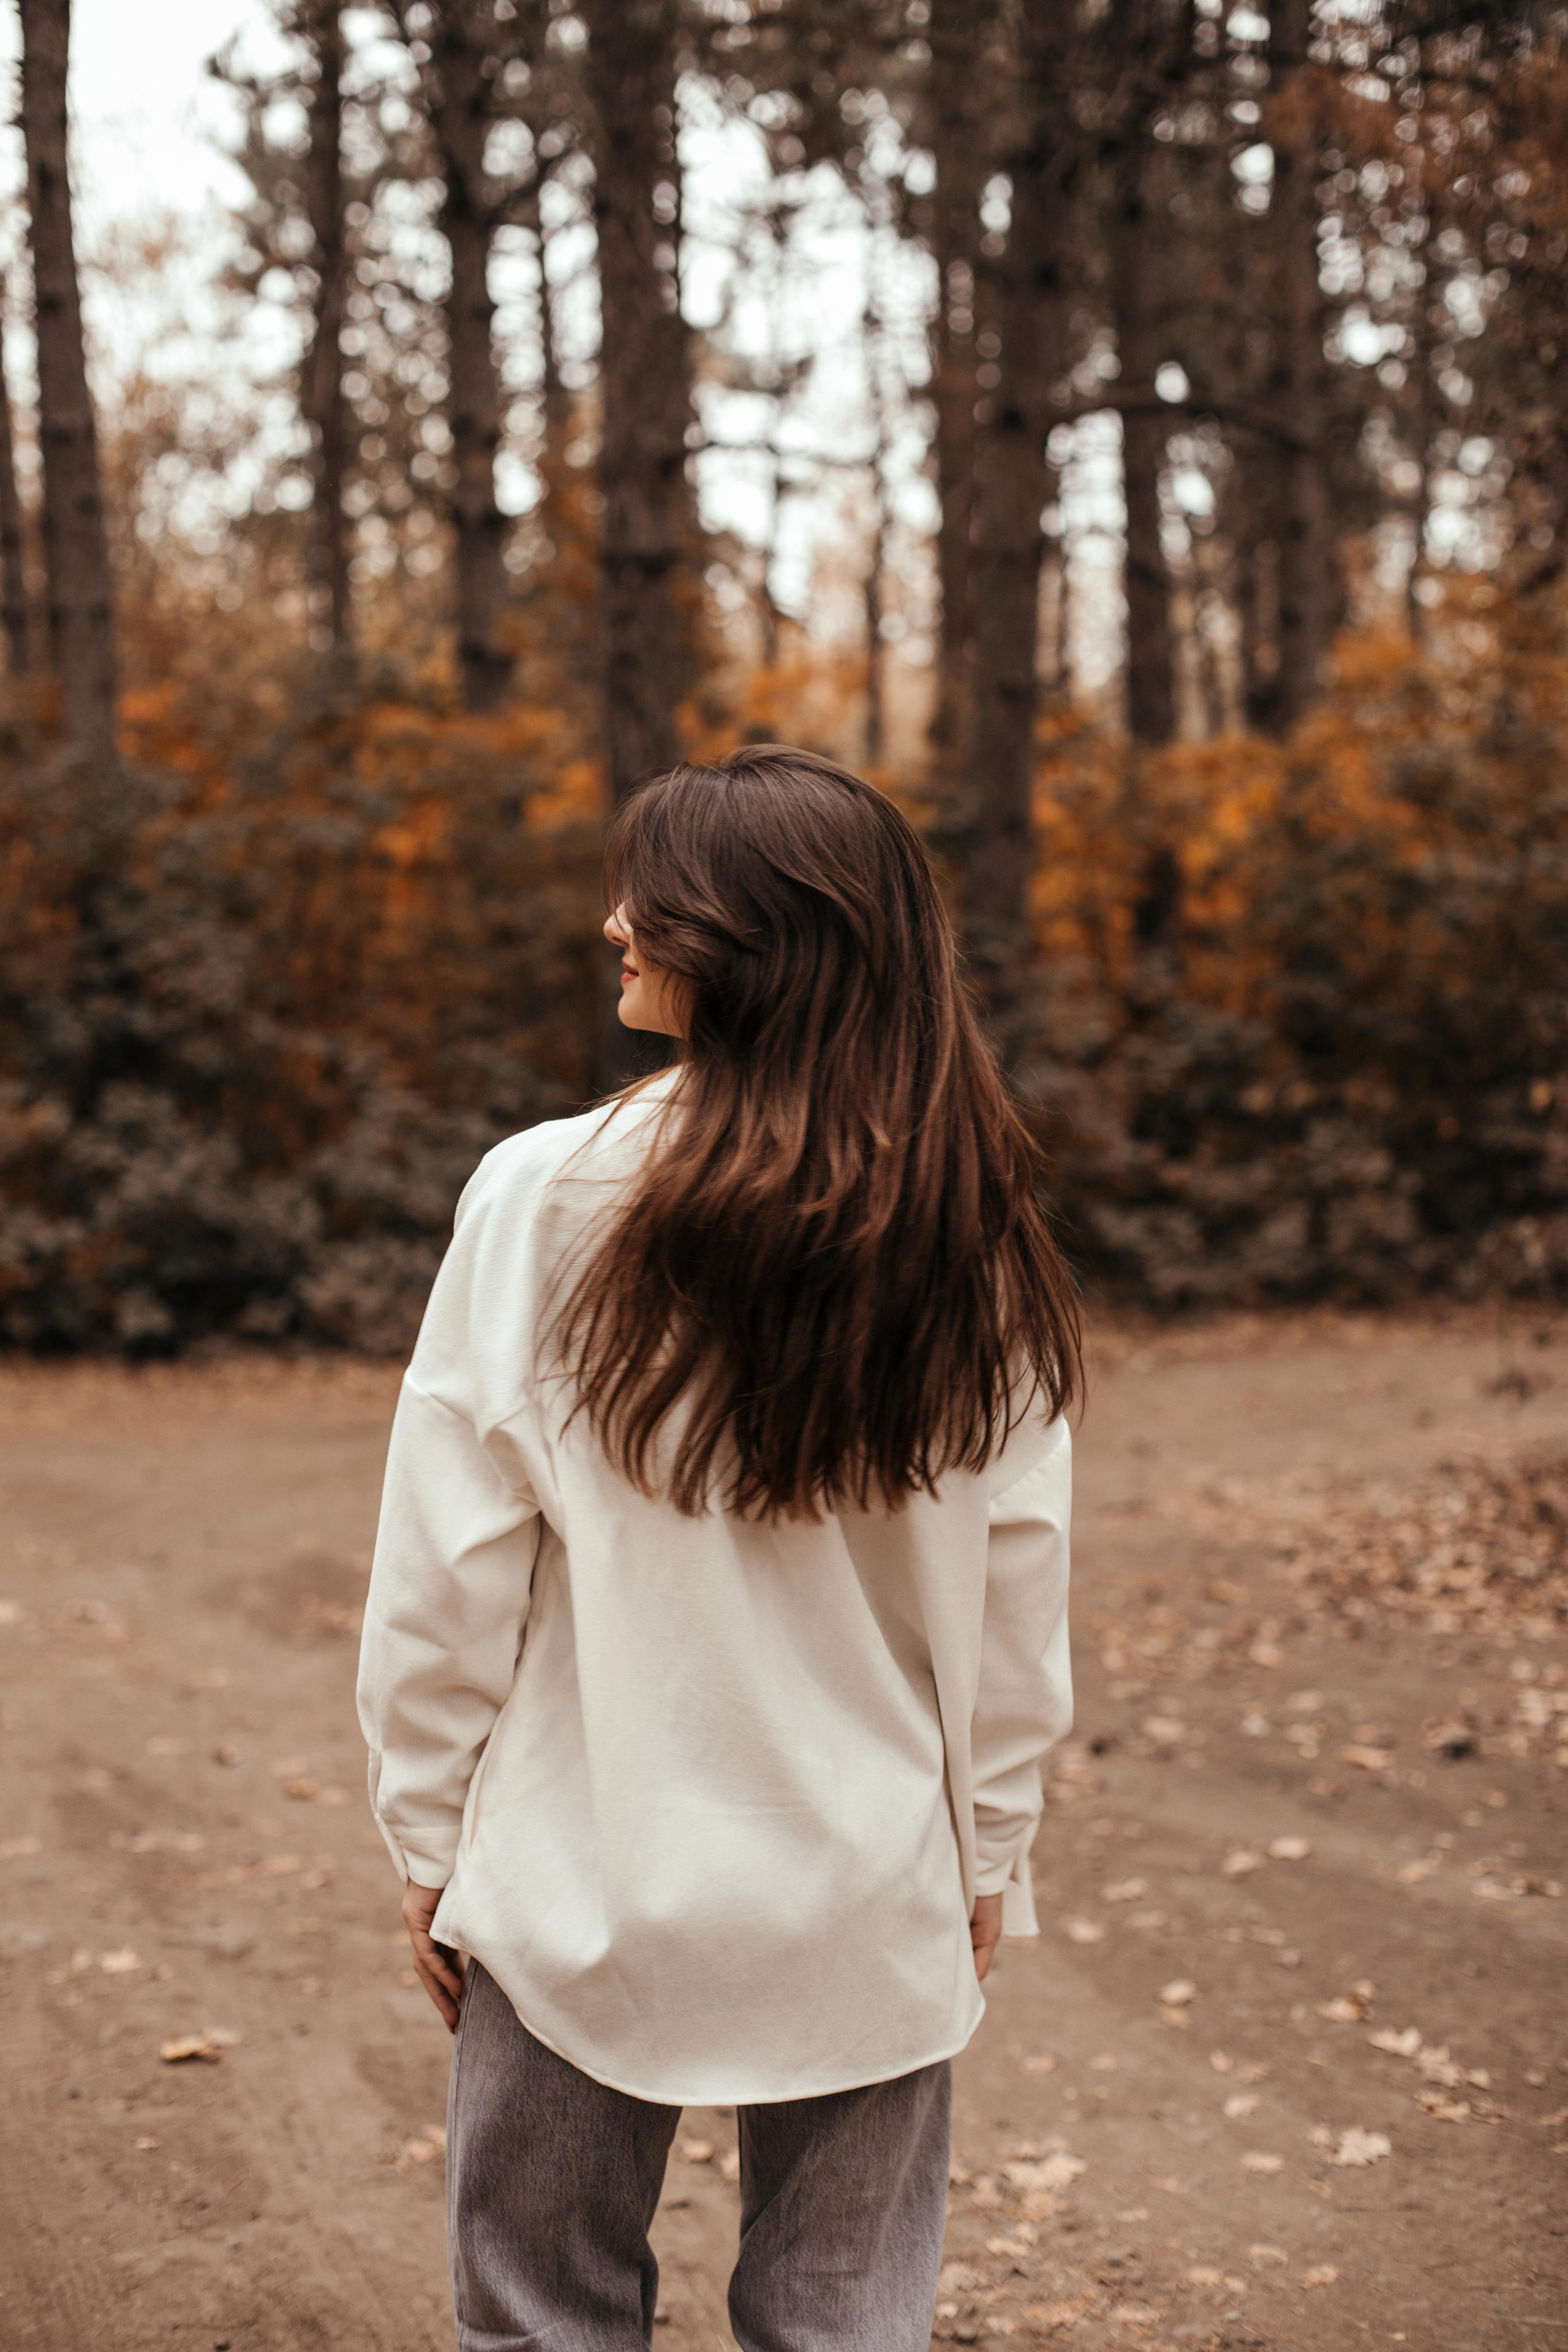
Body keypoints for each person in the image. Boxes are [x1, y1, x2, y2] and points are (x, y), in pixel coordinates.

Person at [357, 744, 1080, 2352]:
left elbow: (448, 1565)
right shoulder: (967, 1228)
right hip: (867, 1883)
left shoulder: (542, 1196)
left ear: (762, 943)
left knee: (541, 2319)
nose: (615, 923)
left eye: (655, 902)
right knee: (841, 2327)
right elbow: (1016, 1589)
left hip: (582, 1872)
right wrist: (990, 1850)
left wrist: (427, 1829)